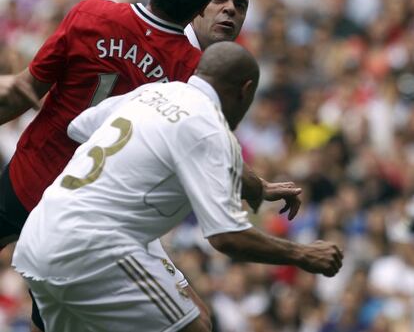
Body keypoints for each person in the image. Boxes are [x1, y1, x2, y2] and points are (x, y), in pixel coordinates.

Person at [13, 42, 343, 332]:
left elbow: (79, 127)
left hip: (38, 235)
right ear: (245, 90)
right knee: (196, 323)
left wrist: (253, 187)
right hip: (92, 246)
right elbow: (227, 237)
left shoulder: (156, 91)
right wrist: (302, 254)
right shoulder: (212, 129)